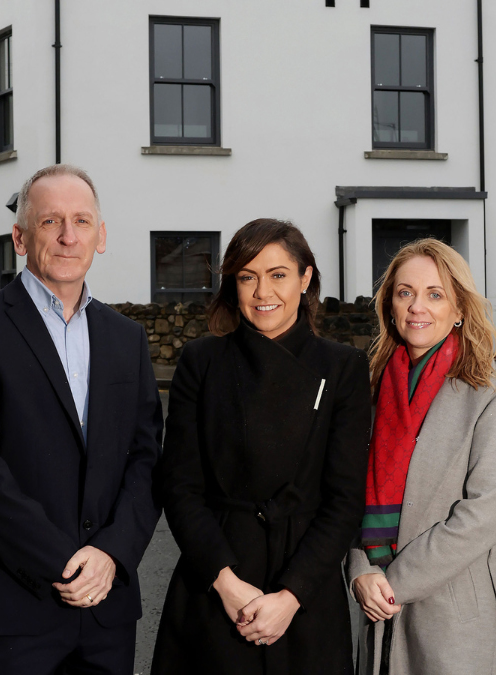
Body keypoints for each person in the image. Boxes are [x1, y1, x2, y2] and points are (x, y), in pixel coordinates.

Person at [0, 164, 163, 675]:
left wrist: (110, 555)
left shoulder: (127, 339)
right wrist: (66, 564)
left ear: (100, 238)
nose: (67, 236)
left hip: (108, 609)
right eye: (49, 222)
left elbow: (146, 460)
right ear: (20, 236)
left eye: (82, 222)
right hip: (14, 607)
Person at [151, 219, 371, 675]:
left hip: (305, 592)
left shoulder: (343, 367)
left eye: (277, 275)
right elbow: (180, 486)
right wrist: (227, 584)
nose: (262, 291)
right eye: (247, 277)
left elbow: (346, 499)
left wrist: (291, 596)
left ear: (305, 278)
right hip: (216, 582)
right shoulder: (201, 362)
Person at [348, 239, 496, 675]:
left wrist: (394, 582)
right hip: (378, 603)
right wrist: (359, 569)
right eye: (405, 292)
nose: (417, 307)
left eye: (435, 294)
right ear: (389, 304)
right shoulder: (368, 388)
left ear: (460, 308)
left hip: (452, 609)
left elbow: (484, 512)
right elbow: (346, 491)